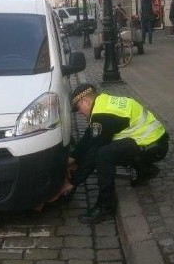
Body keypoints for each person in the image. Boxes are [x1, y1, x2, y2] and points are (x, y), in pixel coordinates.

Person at [63, 83, 168, 224]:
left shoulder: (102, 115)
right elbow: (89, 136)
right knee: (111, 148)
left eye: (79, 108)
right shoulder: (103, 102)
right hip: (156, 141)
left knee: (104, 155)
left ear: (85, 101)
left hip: (151, 146)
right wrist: (73, 156)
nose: (80, 113)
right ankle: (144, 170)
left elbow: (94, 152)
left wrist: (72, 181)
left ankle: (105, 206)